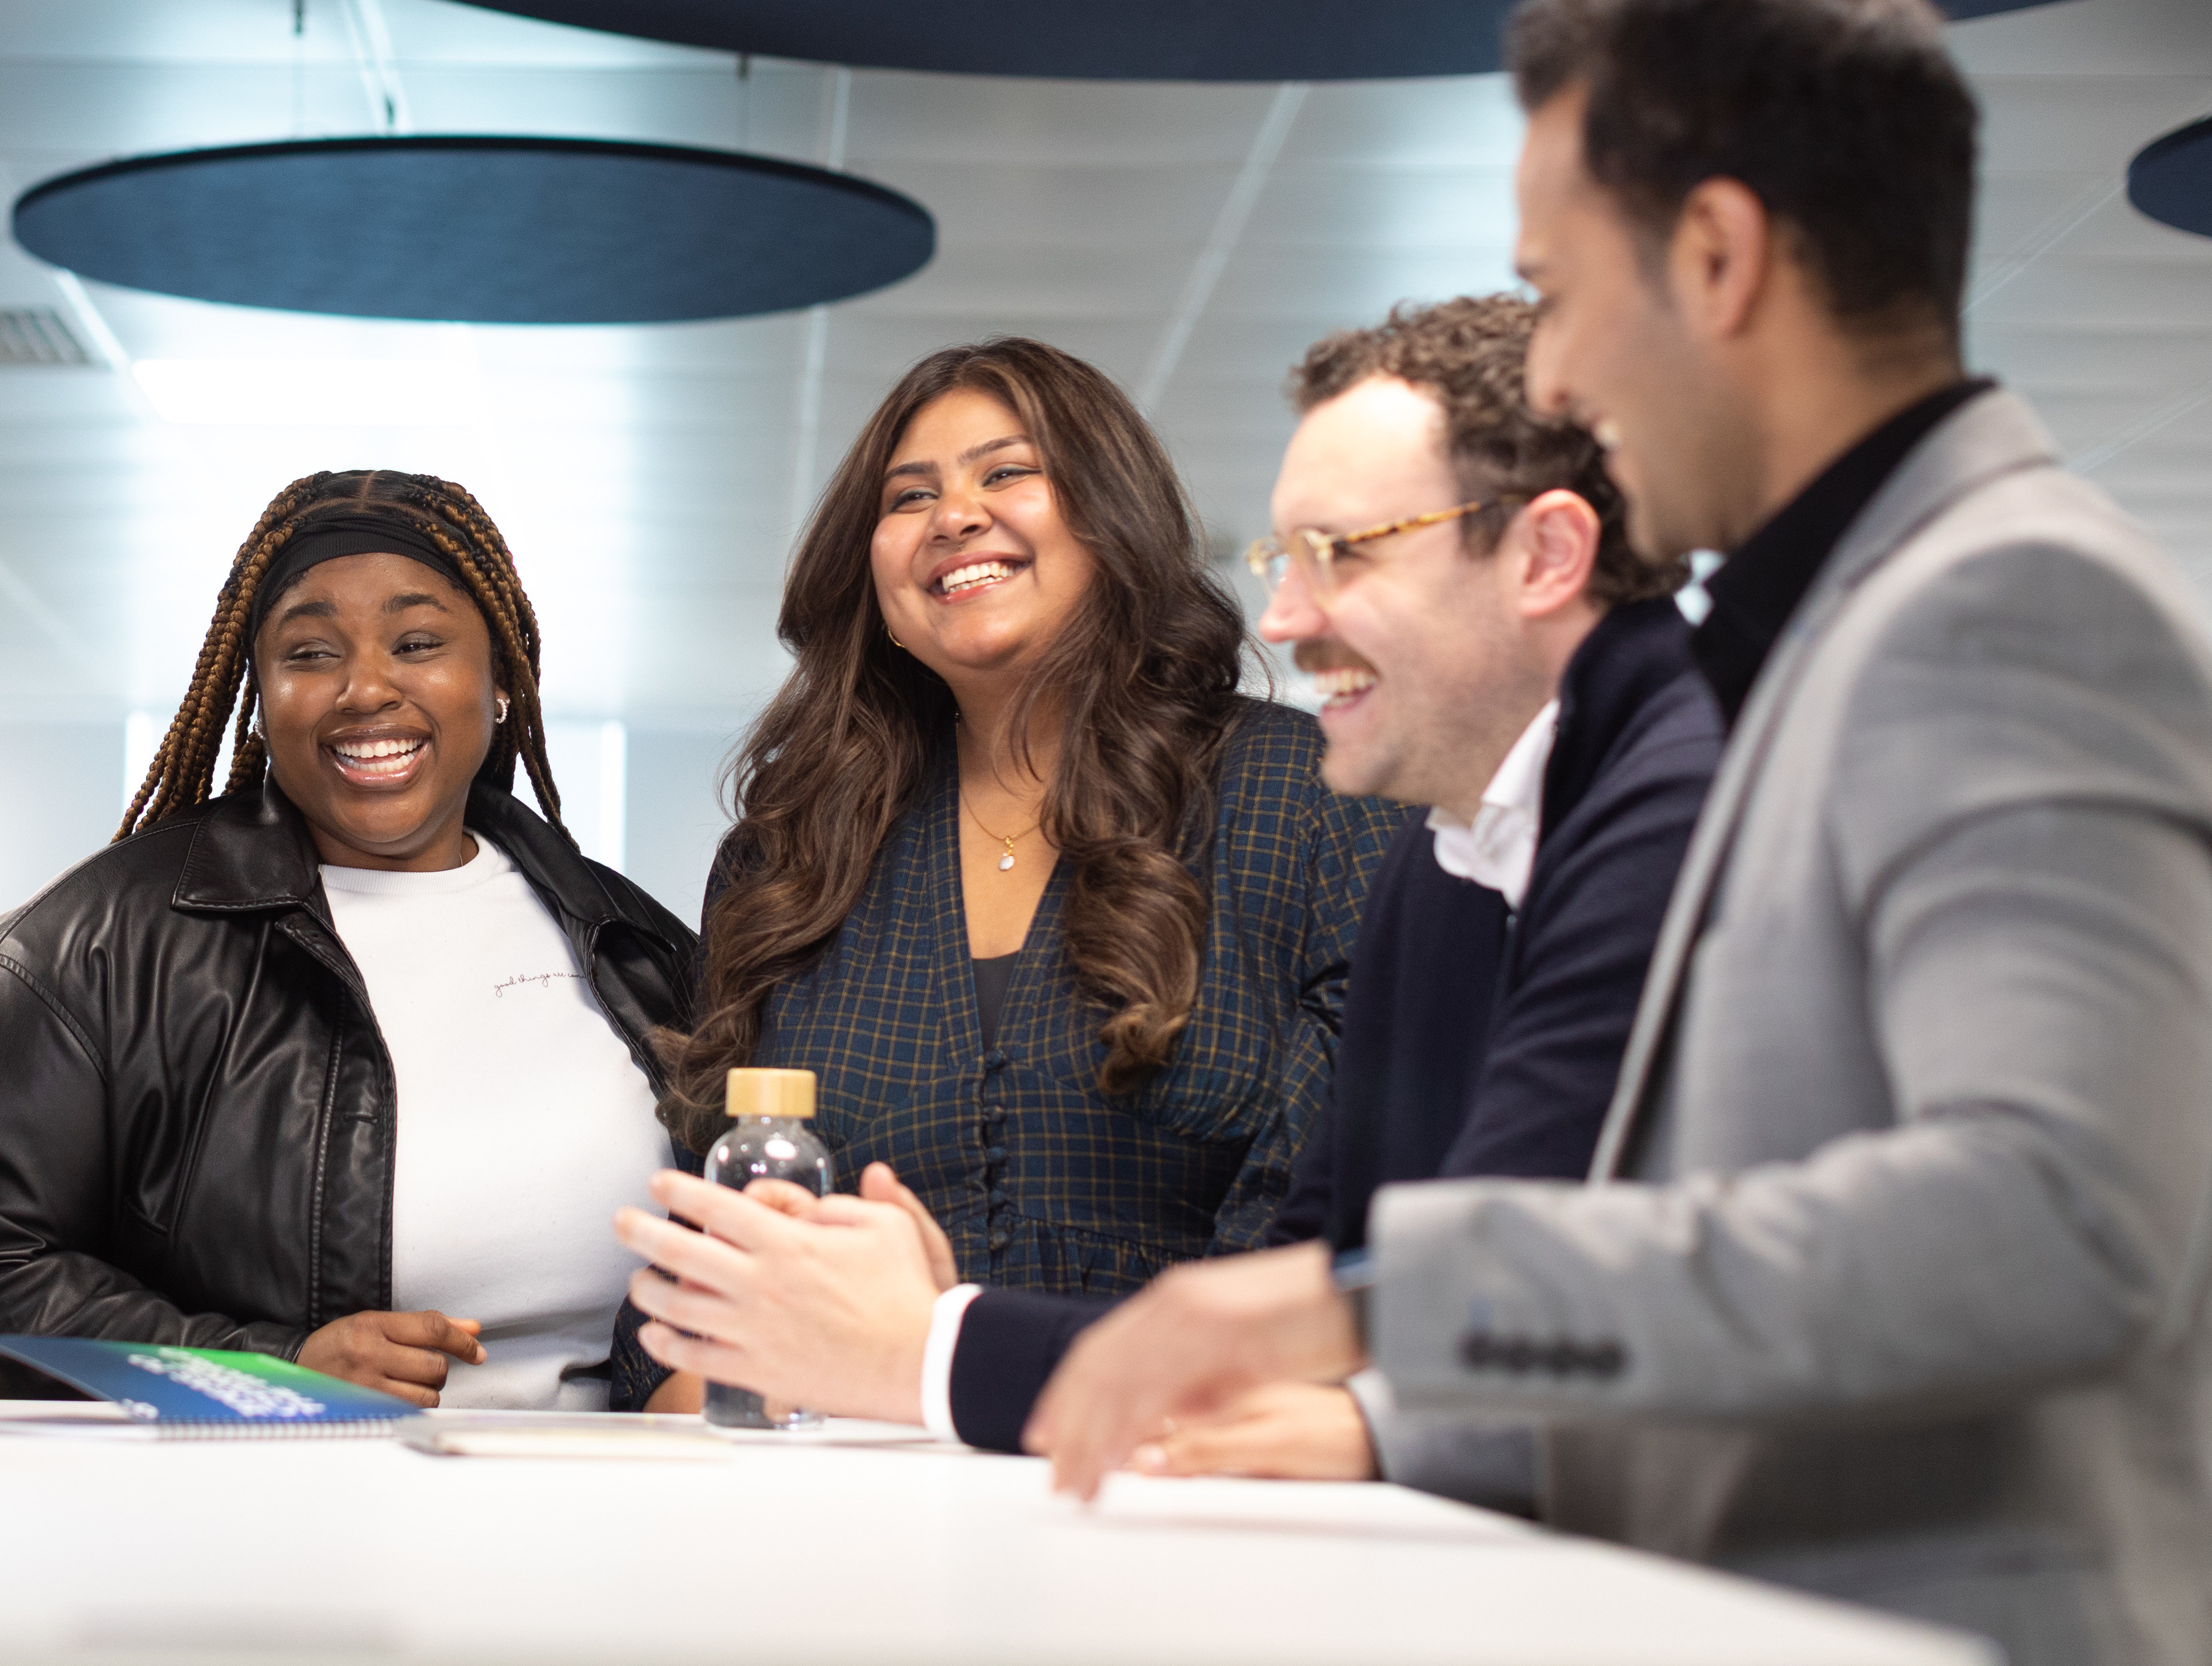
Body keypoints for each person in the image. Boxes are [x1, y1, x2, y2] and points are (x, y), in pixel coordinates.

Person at [1030, 0, 2212, 1666]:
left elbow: (2050, 1221)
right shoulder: (1829, 643)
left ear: (1715, 260)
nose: (1544, 373)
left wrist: (1379, 1303)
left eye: (1555, 290)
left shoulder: (2012, 613)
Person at [615, 302, 1718, 1494]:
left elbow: (1470, 1280)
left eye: (1345, 551)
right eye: (908, 493)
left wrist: (928, 1340)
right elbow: (1364, 1269)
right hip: (863, 1490)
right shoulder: (1456, 844)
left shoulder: (1427, 803)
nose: (1288, 618)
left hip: (1194, 1491)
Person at [606, 336, 1396, 1416]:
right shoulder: (791, 853)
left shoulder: (1305, 797)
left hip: (1188, 1475)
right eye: (910, 494)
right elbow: (697, 1248)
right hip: (843, 1515)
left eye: (1007, 472)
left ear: (1111, 513)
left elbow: (1329, 1231)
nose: (955, 514)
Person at [0, 467, 699, 1410]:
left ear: (500, 677)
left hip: (609, 1526)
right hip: (262, 1528)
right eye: (309, 654)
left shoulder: (637, 949)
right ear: (260, 693)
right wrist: (260, 1366)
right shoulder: (92, 946)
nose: (365, 688)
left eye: (419, 642)